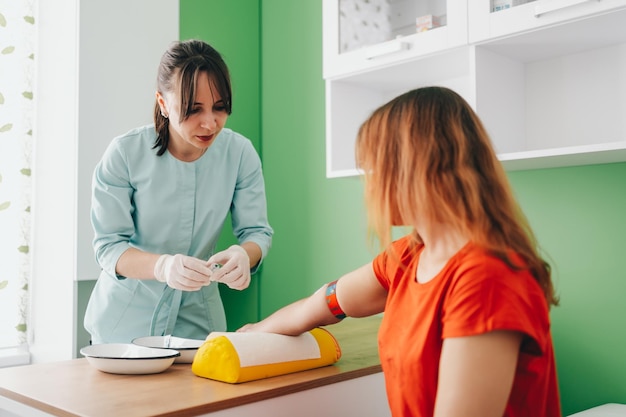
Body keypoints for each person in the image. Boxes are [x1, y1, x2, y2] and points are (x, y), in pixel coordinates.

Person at [239, 87, 561, 416]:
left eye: (375, 170)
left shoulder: (487, 278)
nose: (369, 187)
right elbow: (326, 302)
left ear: (418, 169)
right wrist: (252, 334)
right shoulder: (408, 257)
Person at [84, 39, 273, 345]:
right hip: (125, 326)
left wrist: (244, 255)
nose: (210, 122)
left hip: (199, 325)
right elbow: (109, 248)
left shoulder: (240, 154)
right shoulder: (125, 154)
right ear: (163, 104)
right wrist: (163, 266)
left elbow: (257, 233)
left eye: (220, 107)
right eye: (193, 109)